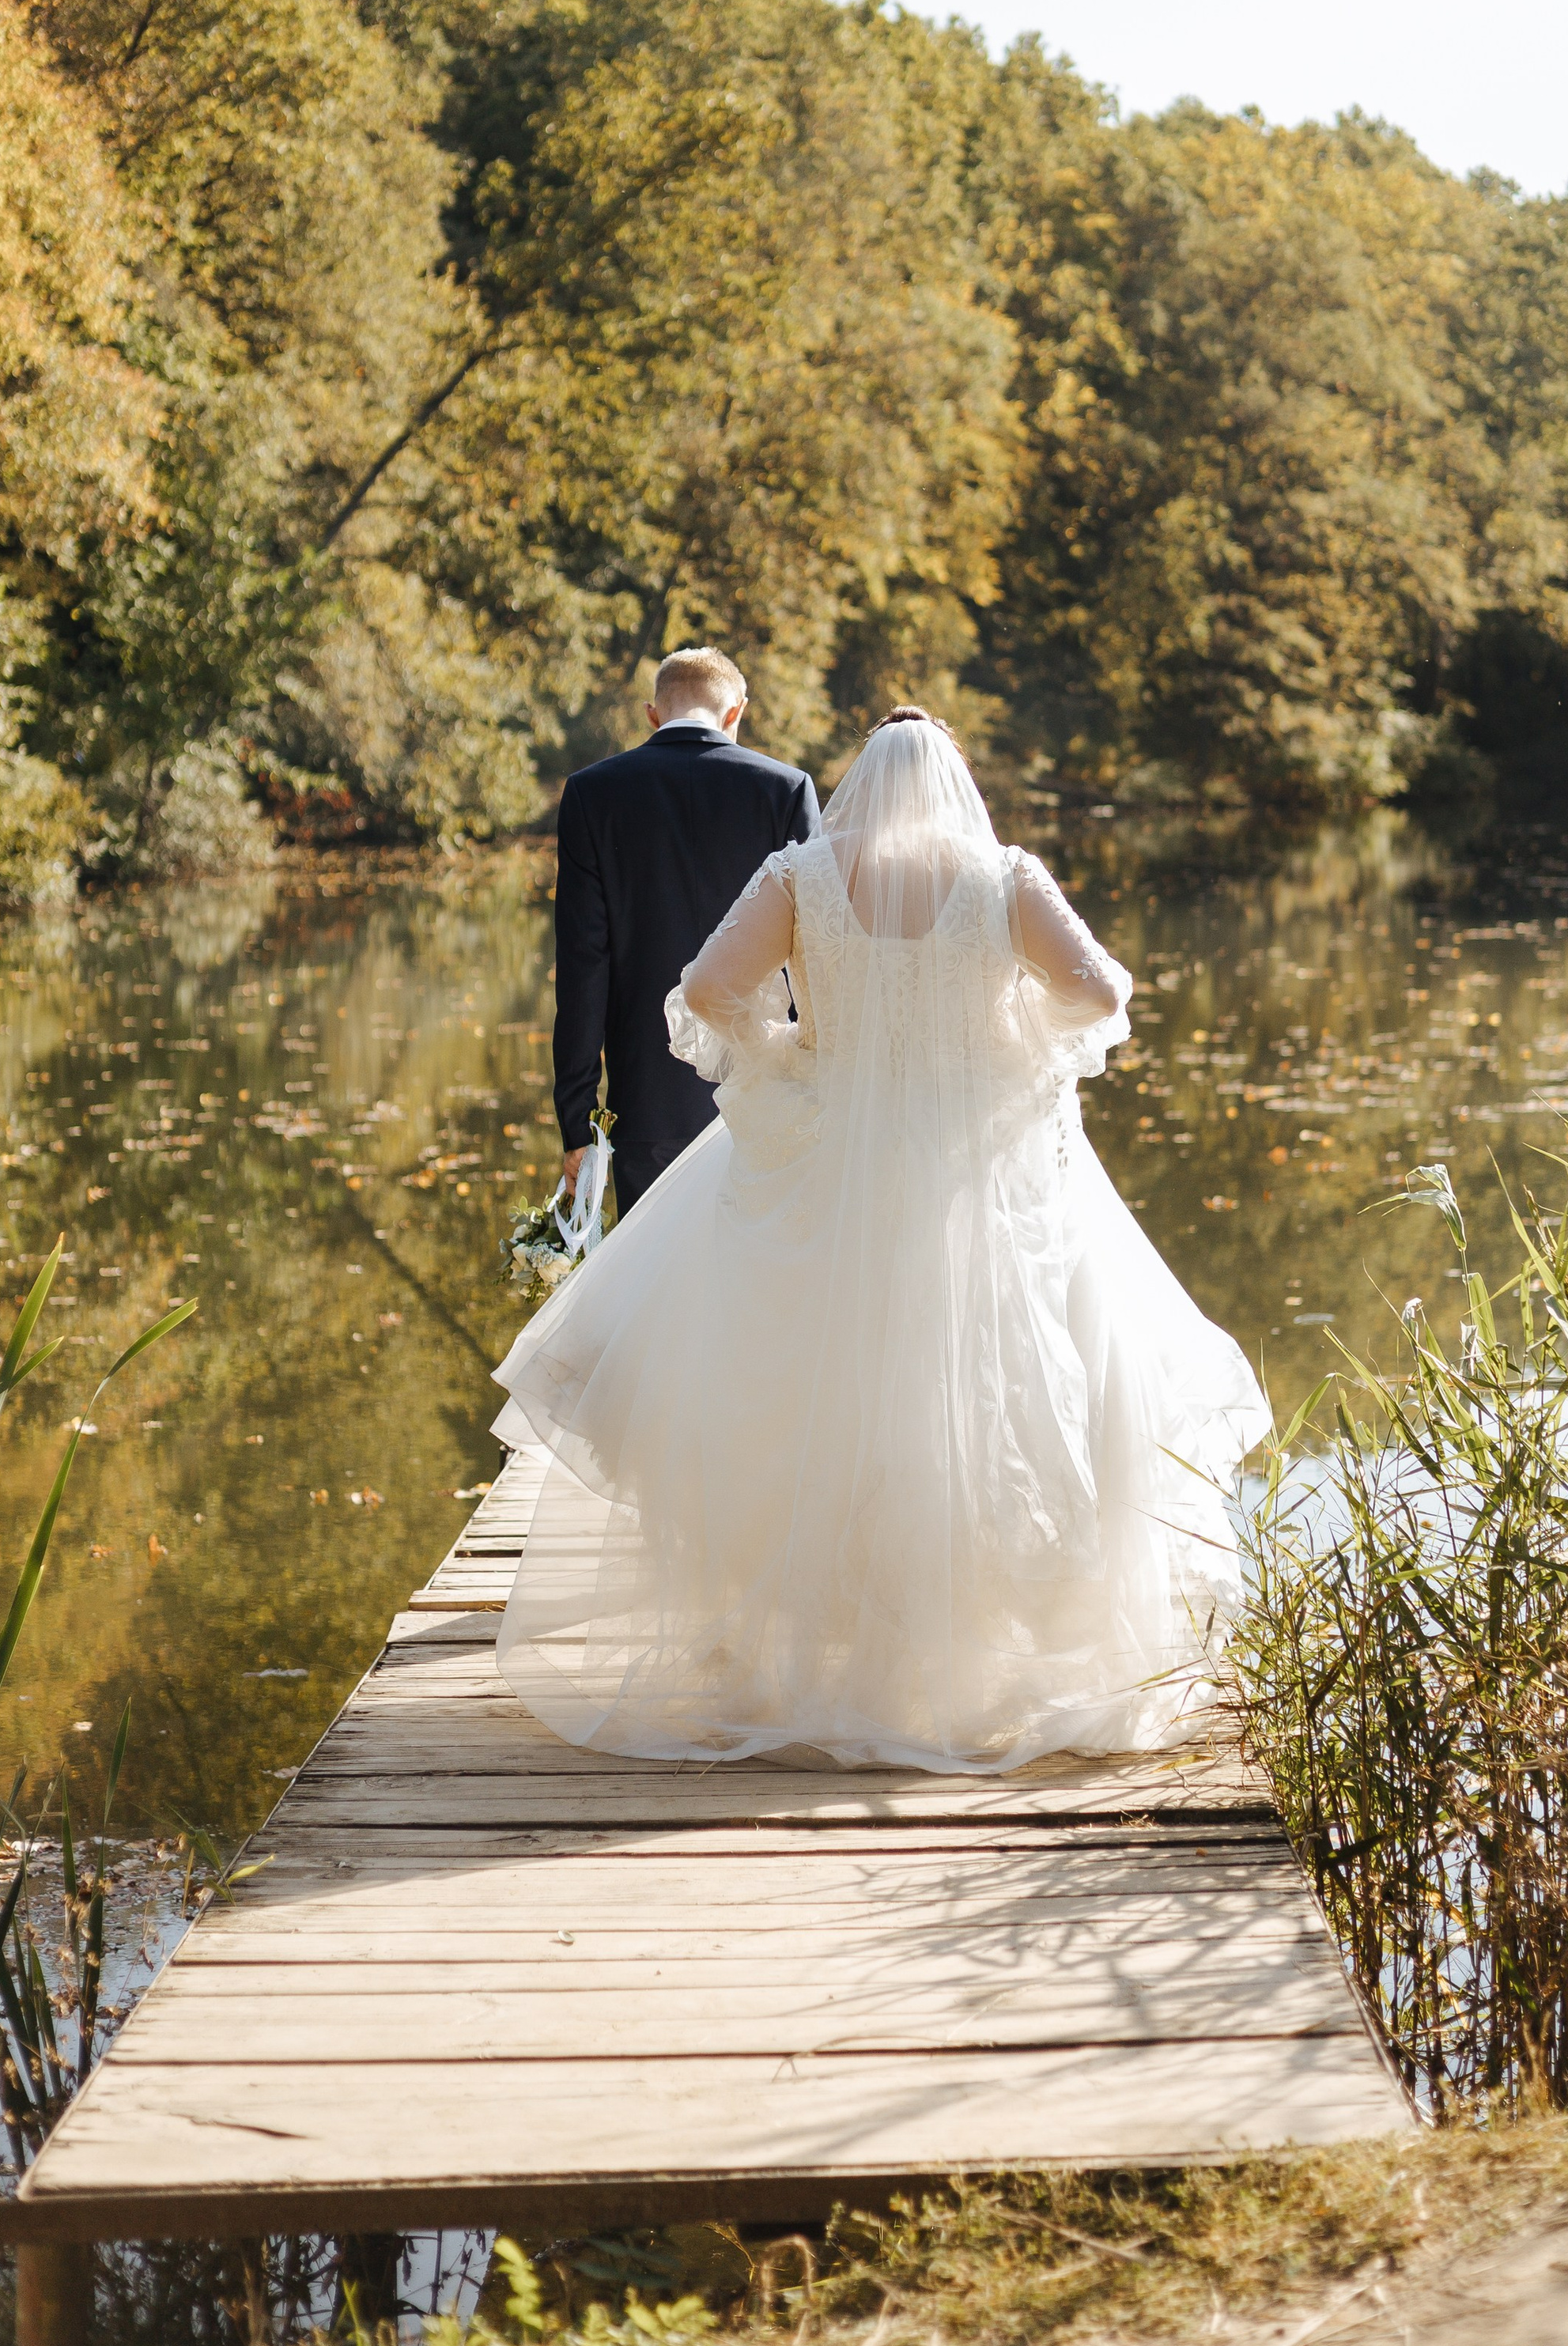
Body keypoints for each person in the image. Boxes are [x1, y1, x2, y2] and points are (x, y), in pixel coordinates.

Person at [495, 707, 1269, 1772]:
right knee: (984, 1383)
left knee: (810, 1386)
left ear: (861, 780)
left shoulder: (802, 876)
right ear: (952, 779)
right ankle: (963, 1647)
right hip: (968, 1170)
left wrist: (789, 1057)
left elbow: (710, 992)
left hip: (828, 1150)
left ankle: (818, 1642)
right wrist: (1006, 1054)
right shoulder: (1005, 881)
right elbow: (1099, 992)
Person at [551, 646, 819, 1217]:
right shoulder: (787, 790)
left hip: (647, 1103)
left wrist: (577, 1119)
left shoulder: (591, 794)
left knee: (656, 1294)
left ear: (653, 713)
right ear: (735, 712)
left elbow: (582, 966)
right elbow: (812, 960)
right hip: (765, 1096)